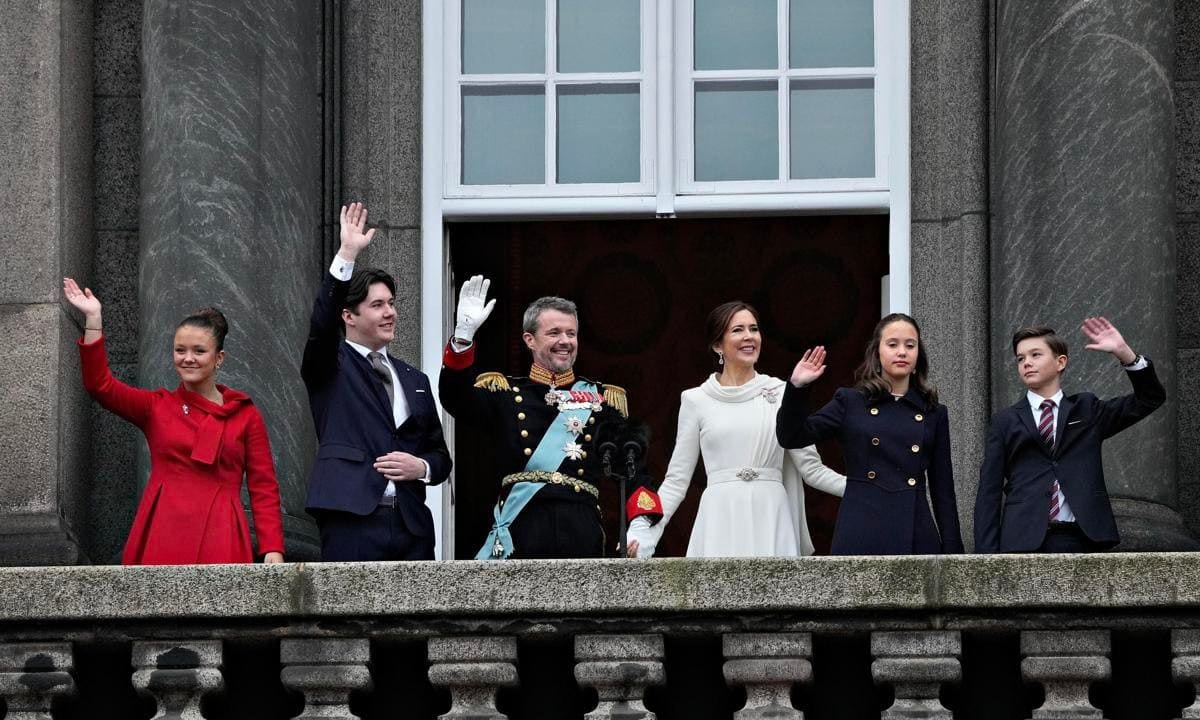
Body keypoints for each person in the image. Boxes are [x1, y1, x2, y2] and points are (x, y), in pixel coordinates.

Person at [62, 278, 285, 564]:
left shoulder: (244, 414)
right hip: (163, 530)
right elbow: (100, 386)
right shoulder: (157, 406)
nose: (188, 358)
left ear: (219, 358)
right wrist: (93, 319)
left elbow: (263, 485)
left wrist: (272, 549)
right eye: (180, 350)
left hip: (223, 531)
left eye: (199, 351)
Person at [439, 276, 662, 559]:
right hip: (520, 530)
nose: (565, 341)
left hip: (581, 531)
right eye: (554, 333)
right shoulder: (504, 392)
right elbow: (455, 398)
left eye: (571, 333)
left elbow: (633, 468)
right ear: (529, 339)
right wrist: (462, 339)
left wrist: (641, 528)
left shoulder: (603, 399)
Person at [626, 301, 846, 558]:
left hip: (771, 513)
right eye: (738, 330)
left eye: (754, 329)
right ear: (718, 345)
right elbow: (676, 481)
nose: (749, 337)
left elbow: (812, 470)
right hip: (720, 515)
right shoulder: (696, 399)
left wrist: (869, 488)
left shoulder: (782, 392)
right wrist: (644, 535)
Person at [302, 202, 451, 561]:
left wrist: (423, 468)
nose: (390, 313)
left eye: (392, 303)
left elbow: (440, 456)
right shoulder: (331, 363)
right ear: (349, 316)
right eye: (378, 305)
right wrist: (347, 254)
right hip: (351, 519)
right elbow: (321, 325)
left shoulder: (414, 378)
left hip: (412, 525)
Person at [776, 313, 964, 555]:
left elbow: (943, 490)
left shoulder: (933, 412)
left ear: (919, 356)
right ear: (877, 354)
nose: (902, 352)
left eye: (910, 345)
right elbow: (792, 437)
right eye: (892, 344)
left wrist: (954, 555)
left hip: (915, 528)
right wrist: (797, 388)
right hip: (861, 526)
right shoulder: (851, 402)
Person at [974, 318, 1165, 553]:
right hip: (1022, 539)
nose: (1027, 363)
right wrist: (986, 557)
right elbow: (988, 492)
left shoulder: (1087, 409)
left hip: (1083, 537)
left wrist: (1125, 354)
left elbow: (1150, 399)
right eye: (1021, 358)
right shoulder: (1005, 421)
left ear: (1060, 362)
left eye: (1036, 355)